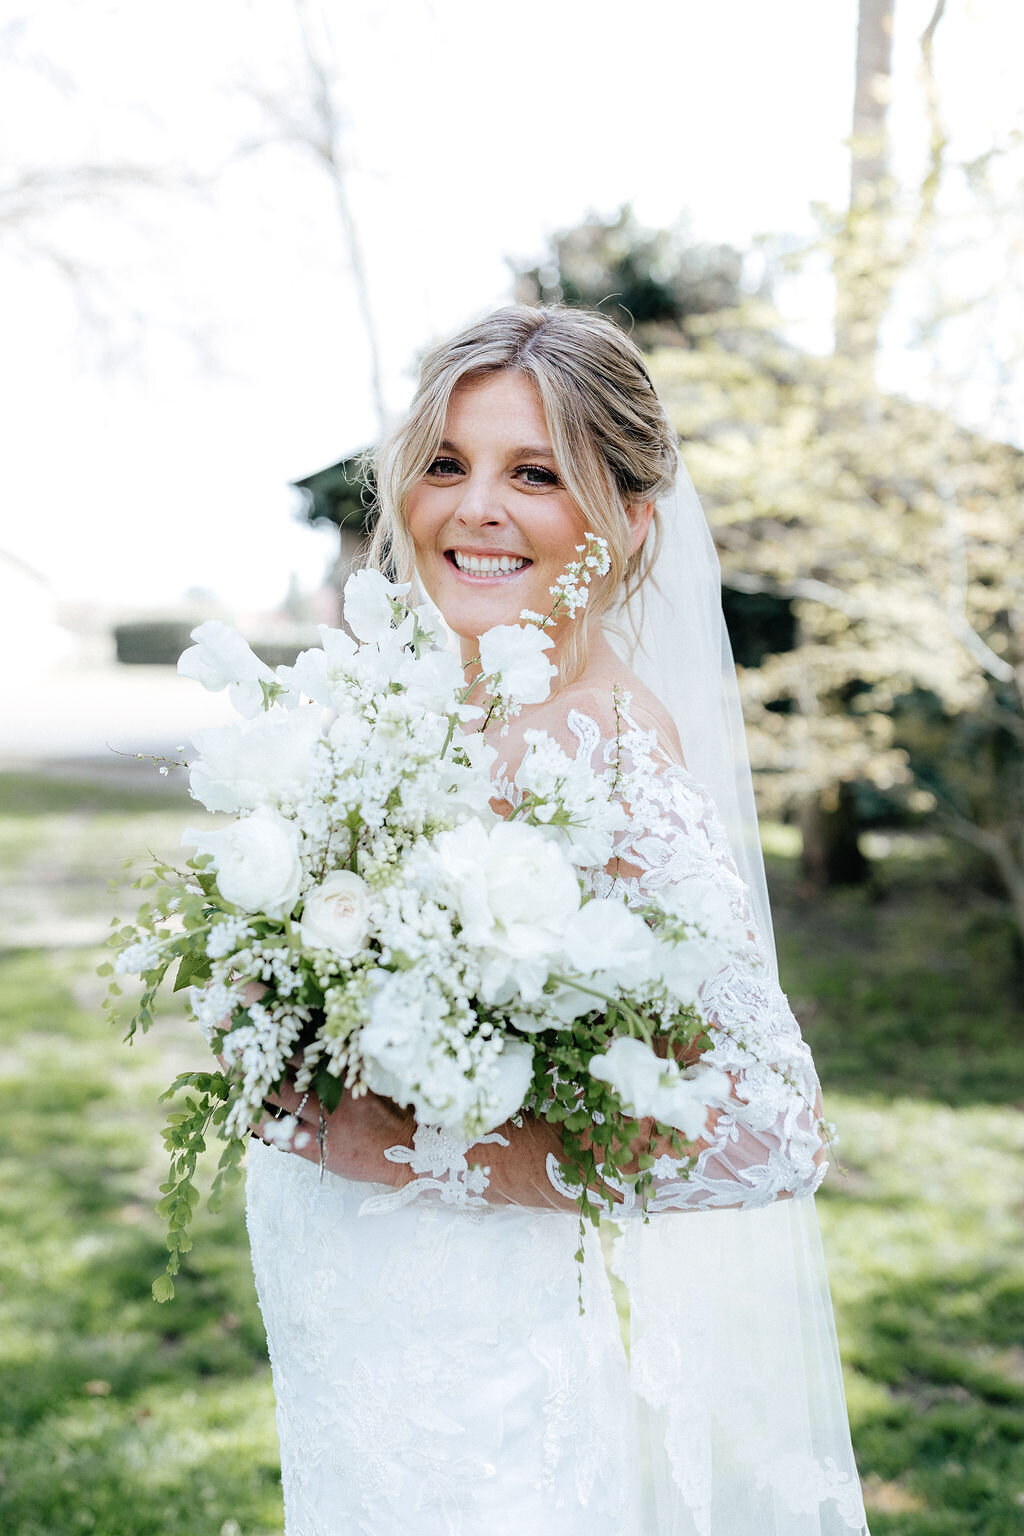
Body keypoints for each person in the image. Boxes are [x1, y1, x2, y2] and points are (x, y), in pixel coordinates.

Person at [245, 305, 870, 1535]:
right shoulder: (407, 712)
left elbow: (771, 1124)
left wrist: (412, 1148)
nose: (475, 507)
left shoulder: (605, 745)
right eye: (446, 464)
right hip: (346, 1341)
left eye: (533, 473)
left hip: (480, 1385)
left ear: (628, 524)